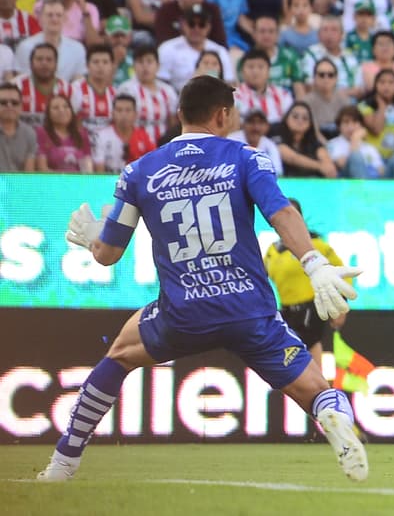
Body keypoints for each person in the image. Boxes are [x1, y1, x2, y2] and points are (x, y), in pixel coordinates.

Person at [36, 75, 367, 483]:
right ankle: (332, 416)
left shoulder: (139, 171)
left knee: (119, 355)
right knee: (317, 391)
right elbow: (281, 213)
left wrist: (92, 239)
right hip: (250, 311)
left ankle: (62, 465)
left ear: (178, 115)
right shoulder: (247, 158)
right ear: (223, 115)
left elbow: (108, 255)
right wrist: (314, 265)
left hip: (182, 312)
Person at [264, 198, 350, 364]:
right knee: (288, 353)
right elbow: (261, 276)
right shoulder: (273, 250)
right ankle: (304, 386)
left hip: (311, 306)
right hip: (287, 310)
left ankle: (317, 386)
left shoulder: (315, 245)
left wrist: (341, 306)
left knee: (306, 344)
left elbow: (341, 273)